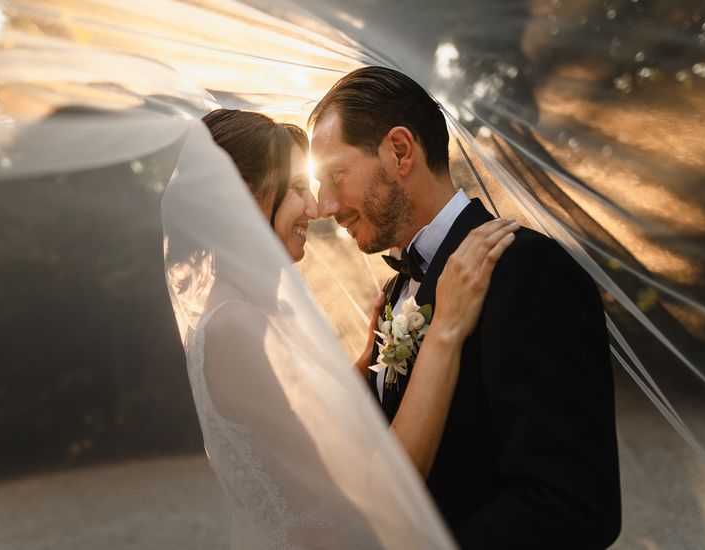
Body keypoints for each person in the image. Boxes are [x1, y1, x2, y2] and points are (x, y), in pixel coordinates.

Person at [162, 109, 517, 548]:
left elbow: (308, 426)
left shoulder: (243, 313)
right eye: (296, 189)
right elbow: (384, 497)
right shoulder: (235, 330)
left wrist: (371, 355)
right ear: (239, 200)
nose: (314, 208)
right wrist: (445, 329)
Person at [310, 66, 622, 548]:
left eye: (335, 175)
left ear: (399, 151)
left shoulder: (527, 272)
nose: (325, 205)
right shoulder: (395, 294)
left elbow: (573, 504)